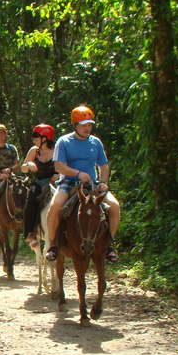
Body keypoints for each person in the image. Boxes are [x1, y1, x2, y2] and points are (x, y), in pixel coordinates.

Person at [45, 105, 120, 262]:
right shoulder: (64, 141)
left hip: (92, 184)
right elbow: (58, 166)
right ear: (74, 124)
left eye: (89, 124)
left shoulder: (96, 142)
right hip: (69, 183)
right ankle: (53, 244)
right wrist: (78, 173)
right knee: (55, 206)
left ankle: (110, 245)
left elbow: (103, 166)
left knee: (114, 206)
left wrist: (103, 182)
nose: (87, 128)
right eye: (83, 125)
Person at [21, 124, 59, 248]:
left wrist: (59, 175)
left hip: (54, 183)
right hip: (38, 183)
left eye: (36, 136)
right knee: (30, 202)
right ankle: (31, 234)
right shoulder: (34, 151)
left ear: (45, 138)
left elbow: (65, 165)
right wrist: (29, 165)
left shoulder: (57, 149)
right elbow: (23, 169)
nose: (34, 139)